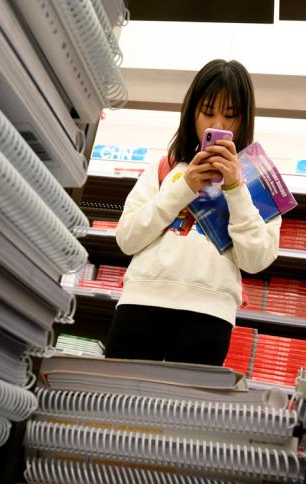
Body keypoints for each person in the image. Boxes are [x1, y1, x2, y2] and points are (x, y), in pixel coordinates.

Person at [106, 59, 280, 366]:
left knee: (185, 400)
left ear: (244, 119)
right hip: (140, 301)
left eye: (230, 115)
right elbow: (126, 239)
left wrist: (235, 188)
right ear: (192, 113)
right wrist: (184, 186)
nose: (219, 125)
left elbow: (256, 261)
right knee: (121, 394)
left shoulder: (260, 182)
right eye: (208, 112)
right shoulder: (165, 168)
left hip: (210, 313)